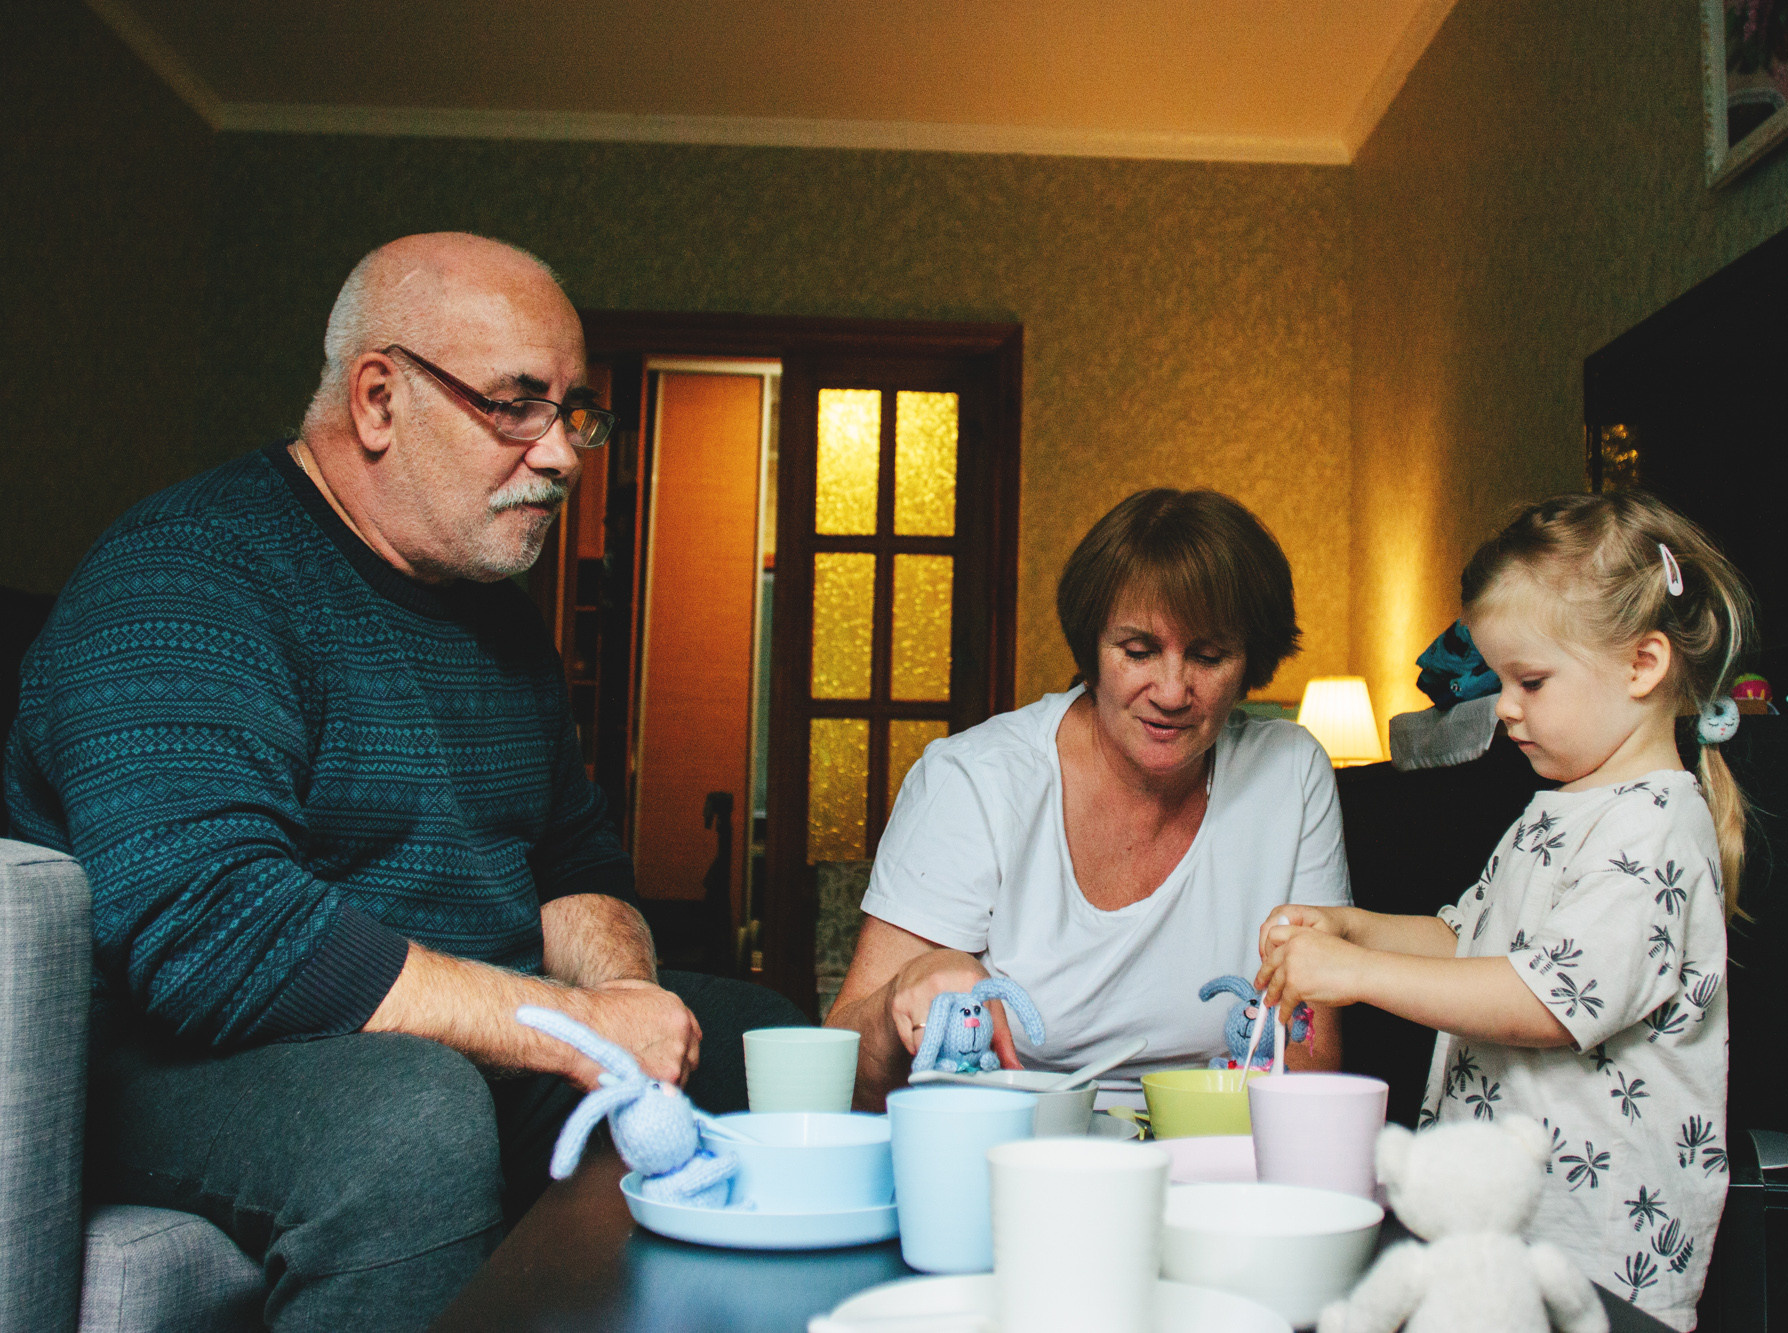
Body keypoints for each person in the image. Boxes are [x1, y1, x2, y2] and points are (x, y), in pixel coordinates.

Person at [5, 233, 804, 1331]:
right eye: (515, 406)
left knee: (756, 1037)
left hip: (456, 1030)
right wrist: (570, 1024)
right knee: (408, 1118)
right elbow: (213, 934)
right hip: (184, 1060)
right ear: (379, 399)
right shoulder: (185, 572)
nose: (562, 454)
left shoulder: (501, 623)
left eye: (573, 413)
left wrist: (624, 1009)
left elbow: (574, 863)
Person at [1255, 491, 1751, 1332]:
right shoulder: (1558, 806)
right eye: (1500, 679)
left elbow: (1545, 1003)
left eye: (1531, 681)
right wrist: (1349, 926)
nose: (1506, 706)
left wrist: (1360, 973)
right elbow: (1467, 942)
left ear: (1642, 665)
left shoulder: (1655, 827)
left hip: (1597, 1257)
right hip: (1506, 1242)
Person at [827, 489, 1352, 1110]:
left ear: (1250, 665)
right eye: (1138, 652)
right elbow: (845, 1070)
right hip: (1010, 1138)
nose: (1172, 692)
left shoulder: (1290, 774)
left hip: (1214, 1139)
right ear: (1092, 651)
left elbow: (1311, 1059)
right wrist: (901, 999)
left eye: (1209, 657)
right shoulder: (976, 779)